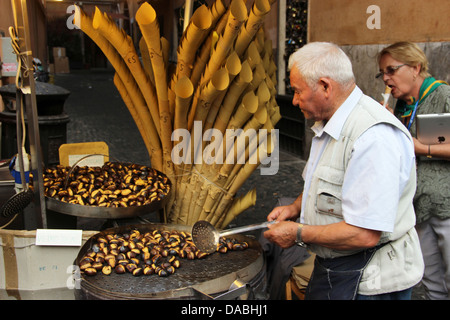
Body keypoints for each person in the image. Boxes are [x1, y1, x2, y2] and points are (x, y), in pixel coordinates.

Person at [263, 42, 424, 300]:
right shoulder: (330, 122)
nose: (293, 100)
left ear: (326, 86)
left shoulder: (373, 137)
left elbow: (364, 233)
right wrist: (296, 208)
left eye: (297, 91)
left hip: (370, 280)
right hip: (337, 267)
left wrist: (298, 233)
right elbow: (326, 183)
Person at [377, 41, 450, 300]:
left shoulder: (442, 95)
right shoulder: (405, 104)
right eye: (383, 73)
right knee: (432, 284)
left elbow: (422, 146)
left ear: (415, 68)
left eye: (391, 70)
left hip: (446, 206)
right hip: (418, 206)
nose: (386, 79)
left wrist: (420, 147)